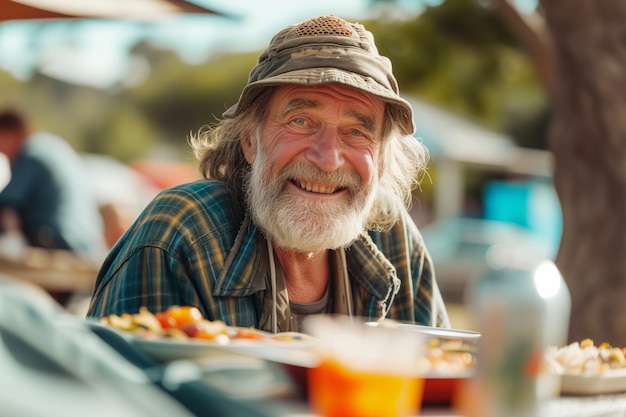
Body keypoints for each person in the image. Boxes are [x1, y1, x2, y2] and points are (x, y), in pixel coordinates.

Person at [88, 15, 450, 332]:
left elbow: (440, 379)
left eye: (357, 132)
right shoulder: (181, 232)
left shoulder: (393, 236)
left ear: (382, 160)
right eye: (301, 121)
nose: (327, 159)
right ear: (250, 140)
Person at [0, 110, 108, 303]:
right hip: (89, 244)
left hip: (60, 243)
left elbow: (6, 204)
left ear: (13, 133)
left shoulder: (31, 154)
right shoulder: (55, 146)